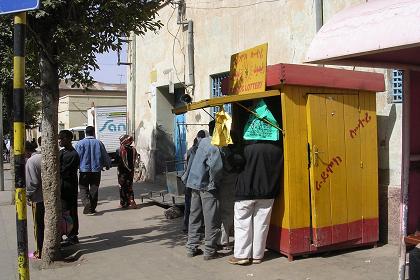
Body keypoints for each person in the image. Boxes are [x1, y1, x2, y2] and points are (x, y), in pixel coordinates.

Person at [228, 139, 283, 265]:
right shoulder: (278, 150)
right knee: (262, 224)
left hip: (245, 192)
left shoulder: (245, 149)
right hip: (268, 192)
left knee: (242, 224)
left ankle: (242, 255)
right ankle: (258, 255)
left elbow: (232, 162)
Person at [186, 121, 223, 260]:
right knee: (211, 218)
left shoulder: (203, 141)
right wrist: (216, 182)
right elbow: (216, 168)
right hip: (207, 186)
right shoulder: (214, 144)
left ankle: (191, 247)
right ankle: (210, 250)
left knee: (194, 216)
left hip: (194, 183)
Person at [75, 126, 111, 215]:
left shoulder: (80, 143)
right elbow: (105, 155)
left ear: (85, 133)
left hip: (84, 170)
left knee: (83, 188)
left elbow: (76, 157)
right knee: (94, 189)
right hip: (96, 170)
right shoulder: (99, 143)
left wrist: (75, 167)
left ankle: (86, 203)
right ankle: (92, 208)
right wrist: (107, 164)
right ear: (93, 132)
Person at [218, 131, 244, 250]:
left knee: (226, 213)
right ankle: (224, 240)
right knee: (230, 213)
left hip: (226, 185)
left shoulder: (224, 151)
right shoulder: (232, 153)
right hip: (231, 184)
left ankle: (224, 240)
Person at [181, 130, 207, 233]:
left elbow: (187, 165)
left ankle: (187, 226)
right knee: (195, 208)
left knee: (189, 206)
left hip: (189, 182)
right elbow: (190, 166)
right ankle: (193, 228)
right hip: (195, 182)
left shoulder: (190, 150)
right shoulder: (196, 151)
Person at [58, 130, 80, 245]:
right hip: (62, 187)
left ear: (68, 139)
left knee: (70, 212)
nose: (60, 141)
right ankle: (63, 232)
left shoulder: (73, 154)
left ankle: (73, 235)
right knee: (63, 212)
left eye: (62, 139)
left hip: (69, 187)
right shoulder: (62, 152)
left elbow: (63, 171)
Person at [25, 141, 44, 259]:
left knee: (38, 226)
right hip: (46, 198)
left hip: (37, 199)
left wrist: (27, 195)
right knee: (44, 225)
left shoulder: (31, 162)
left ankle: (40, 251)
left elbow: (32, 183)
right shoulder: (42, 156)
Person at [115, 134, 138, 209]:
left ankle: (123, 203)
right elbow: (135, 160)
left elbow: (117, 161)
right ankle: (131, 200)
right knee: (129, 186)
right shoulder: (134, 149)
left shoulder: (119, 150)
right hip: (130, 171)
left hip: (122, 172)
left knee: (122, 187)